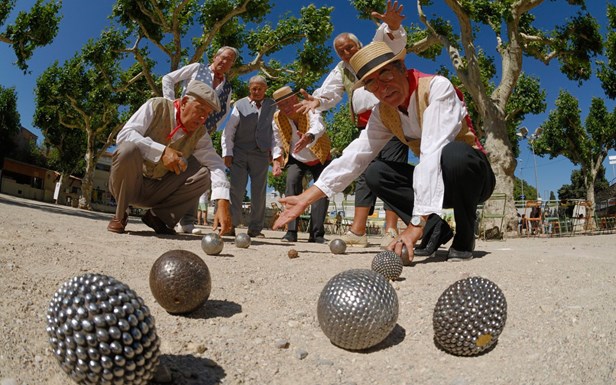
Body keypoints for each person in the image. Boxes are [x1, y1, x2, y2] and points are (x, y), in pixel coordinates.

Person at [274, 42, 496, 263]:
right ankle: (435, 229)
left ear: (401, 68)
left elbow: (432, 152)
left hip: (473, 178)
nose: (383, 88)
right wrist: (306, 197)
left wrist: (414, 225)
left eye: (386, 76)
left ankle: (464, 237)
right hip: (438, 187)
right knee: (376, 172)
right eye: (372, 84)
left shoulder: (437, 87)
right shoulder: (383, 112)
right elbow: (356, 156)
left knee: (453, 154)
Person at [294, 0, 407, 249]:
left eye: (350, 47)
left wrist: (393, 27)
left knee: (392, 170)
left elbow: (390, 38)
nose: (347, 53)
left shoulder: (375, 50)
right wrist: (318, 101)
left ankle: (391, 229)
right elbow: (329, 93)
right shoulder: (341, 70)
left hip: (393, 118)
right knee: (364, 174)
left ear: (359, 45)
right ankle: (357, 230)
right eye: (341, 51)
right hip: (365, 125)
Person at [107, 79, 232, 236]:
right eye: (200, 110)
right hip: (130, 185)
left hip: (159, 191)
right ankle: (121, 213)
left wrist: (222, 200)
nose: (202, 119)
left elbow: (216, 164)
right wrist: (161, 152)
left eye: (207, 114)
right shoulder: (157, 106)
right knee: (127, 149)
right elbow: (124, 135)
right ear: (185, 102)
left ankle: (158, 217)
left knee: (203, 174)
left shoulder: (200, 133)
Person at [162, 46, 238, 234]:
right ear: (215, 56)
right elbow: (168, 79)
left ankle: (187, 221)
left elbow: (225, 110)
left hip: (201, 132)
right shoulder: (197, 68)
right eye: (224, 58)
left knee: (196, 171)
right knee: (171, 167)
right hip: (180, 124)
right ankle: (163, 215)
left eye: (230, 61)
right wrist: (171, 105)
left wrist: (213, 127)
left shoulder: (227, 87)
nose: (225, 62)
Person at [271, 86, 332, 243]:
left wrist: (309, 137)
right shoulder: (277, 118)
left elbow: (319, 125)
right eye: (281, 105)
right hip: (296, 157)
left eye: (288, 103)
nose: (286, 108)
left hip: (320, 155)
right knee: (291, 183)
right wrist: (277, 159)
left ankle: (317, 234)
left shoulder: (309, 107)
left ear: (295, 99)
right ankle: (291, 232)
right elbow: (277, 141)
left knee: (321, 191)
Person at [221, 75, 277, 237]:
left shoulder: (272, 106)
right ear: (249, 89)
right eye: (254, 88)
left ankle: (255, 228)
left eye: (260, 88)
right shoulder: (239, 104)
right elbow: (229, 131)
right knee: (236, 189)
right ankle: (230, 225)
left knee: (259, 191)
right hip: (239, 152)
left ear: (265, 89)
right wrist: (228, 153)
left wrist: (275, 154)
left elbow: (275, 133)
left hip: (260, 154)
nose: (257, 91)